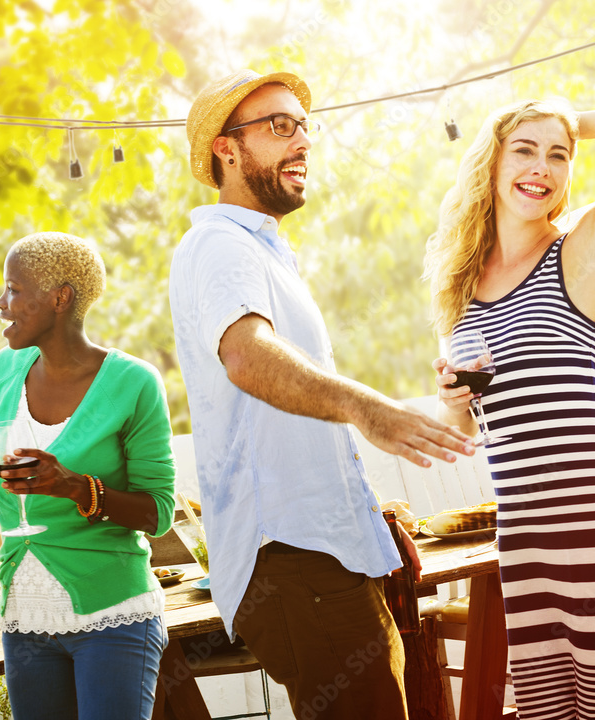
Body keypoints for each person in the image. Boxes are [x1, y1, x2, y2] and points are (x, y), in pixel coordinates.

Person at [170, 69, 477, 719]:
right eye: (279, 127)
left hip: (323, 551)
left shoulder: (268, 252)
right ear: (226, 149)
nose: (302, 141)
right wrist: (368, 408)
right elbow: (247, 357)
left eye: (304, 126)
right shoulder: (218, 243)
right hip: (293, 556)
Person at [0, 232, 175, 720]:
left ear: (60, 298)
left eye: (14, 289)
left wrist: (75, 487)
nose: (1, 304)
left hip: (112, 616)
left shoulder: (134, 382)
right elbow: (14, 481)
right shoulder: (6, 368)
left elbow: (157, 512)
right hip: (24, 615)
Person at [425, 100, 595, 717]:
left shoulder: (578, 247)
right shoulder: (460, 286)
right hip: (525, 535)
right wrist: (452, 401)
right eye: (523, 148)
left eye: (559, 154)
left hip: (591, 523)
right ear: (491, 162)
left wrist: (569, 117)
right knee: (550, 707)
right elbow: (464, 425)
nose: (541, 167)